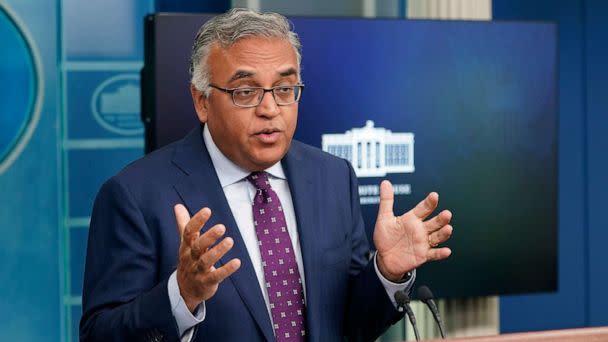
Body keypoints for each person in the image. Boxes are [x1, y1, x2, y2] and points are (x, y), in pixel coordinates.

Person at [80, 8, 453, 342]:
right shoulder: (134, 195)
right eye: (246, 92)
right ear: (202, 101)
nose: (270, 109)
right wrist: (182, 294)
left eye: (285, 89)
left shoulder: (332, 177)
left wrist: (385, 272)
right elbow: (100, 335)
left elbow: (348, 325)